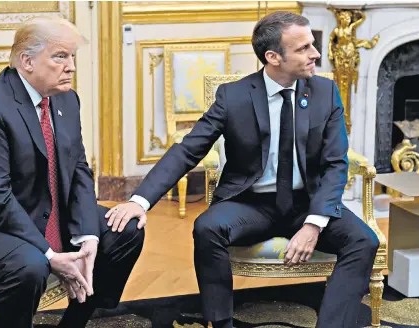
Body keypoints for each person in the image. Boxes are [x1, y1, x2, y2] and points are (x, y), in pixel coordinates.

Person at [106, 11, 379, 328]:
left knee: (364, 240)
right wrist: (139, 201)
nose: (316, 53)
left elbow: (335, 164)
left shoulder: (325, 92)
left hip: (308, 203)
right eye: (304, 48)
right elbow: (188, 149)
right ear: (273, 56)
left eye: (312, 45)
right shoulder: (233, 96)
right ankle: (221, 323)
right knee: (208, 227)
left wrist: (314, 224)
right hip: (251, 204)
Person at [0, 16, 144, 328]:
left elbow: (78, 169)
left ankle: (75, 322)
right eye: (61, 56)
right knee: (30, 264)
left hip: (43, 214)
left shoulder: (66, 99)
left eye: (73, 56)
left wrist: (88, 234)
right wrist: (50, 254)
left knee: (125, 230)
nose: (72, 67)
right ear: (27, 61)